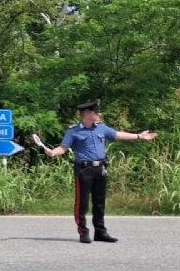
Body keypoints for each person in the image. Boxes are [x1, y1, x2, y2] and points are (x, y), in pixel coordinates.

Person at [43, 100, 158, 243]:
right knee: (82, 202)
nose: (99, 114)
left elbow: (117, 134)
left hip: (100, 168)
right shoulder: (73, 131)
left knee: (99, 202)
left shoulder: (101, 128)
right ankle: (83, 232)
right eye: (96, 112)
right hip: (84, 169)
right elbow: (63, 148)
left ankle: (100, 232)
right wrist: (53, 152)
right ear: (87, 114)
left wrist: (139, 136)